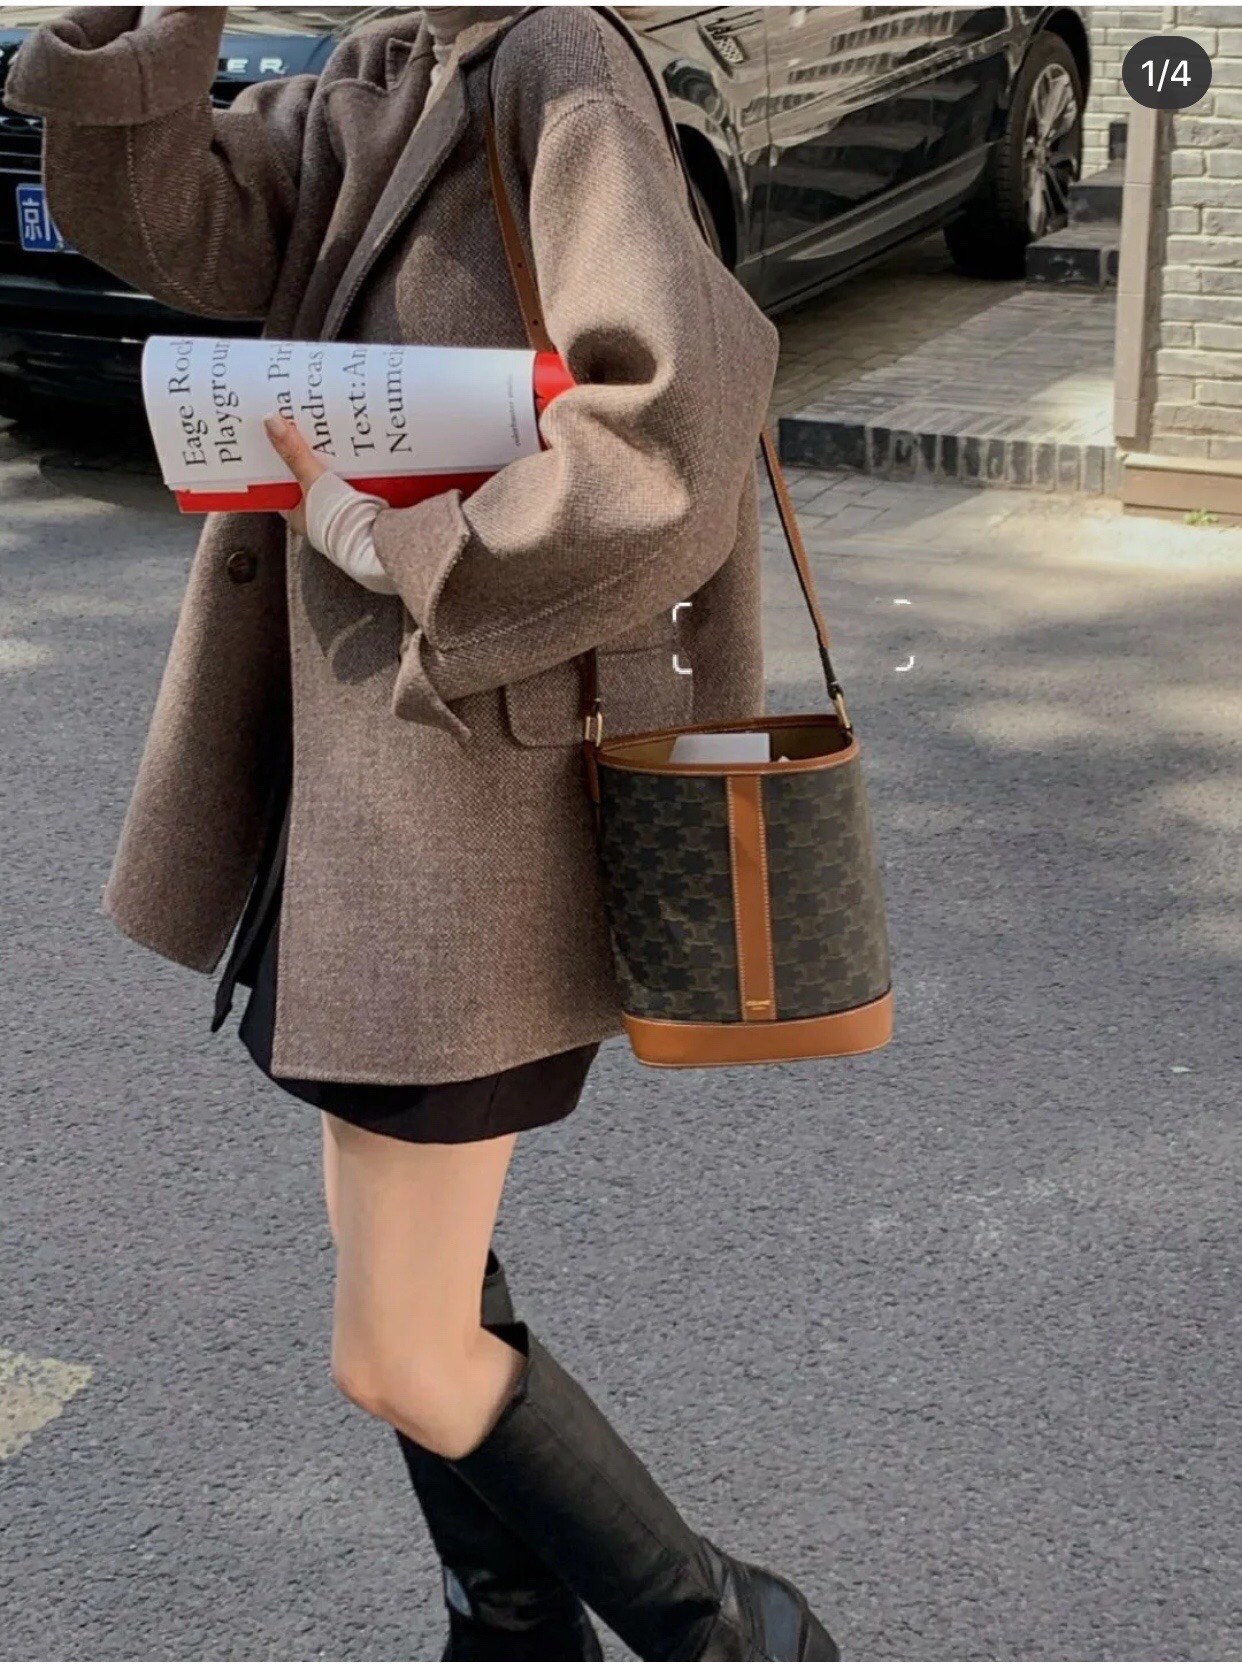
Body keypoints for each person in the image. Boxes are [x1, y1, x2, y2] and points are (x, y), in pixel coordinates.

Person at [7, 5, 838, 1660]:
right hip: (360, 799)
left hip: (470, 806)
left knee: (395, 1350)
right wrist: (144, 26)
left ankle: (731, 1632)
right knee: (412, 1284)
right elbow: (166, 222)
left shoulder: (555, 66)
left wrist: (400, 543)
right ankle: (509, 1624)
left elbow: (668, 429)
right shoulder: (386, 70)